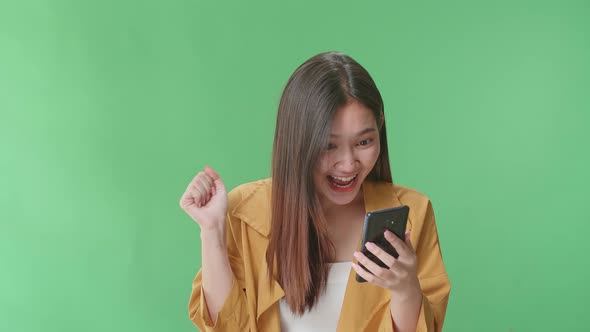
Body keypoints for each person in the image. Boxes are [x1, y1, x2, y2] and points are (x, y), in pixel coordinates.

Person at [179, 51, 451, 332]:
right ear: (298, 141)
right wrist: (212, 231)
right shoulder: (245, 212)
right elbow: (225, 328)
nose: (348, 164)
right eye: (329, 145)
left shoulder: (412, 213)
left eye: (364, 142)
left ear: (380, 127)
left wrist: (406, 290)